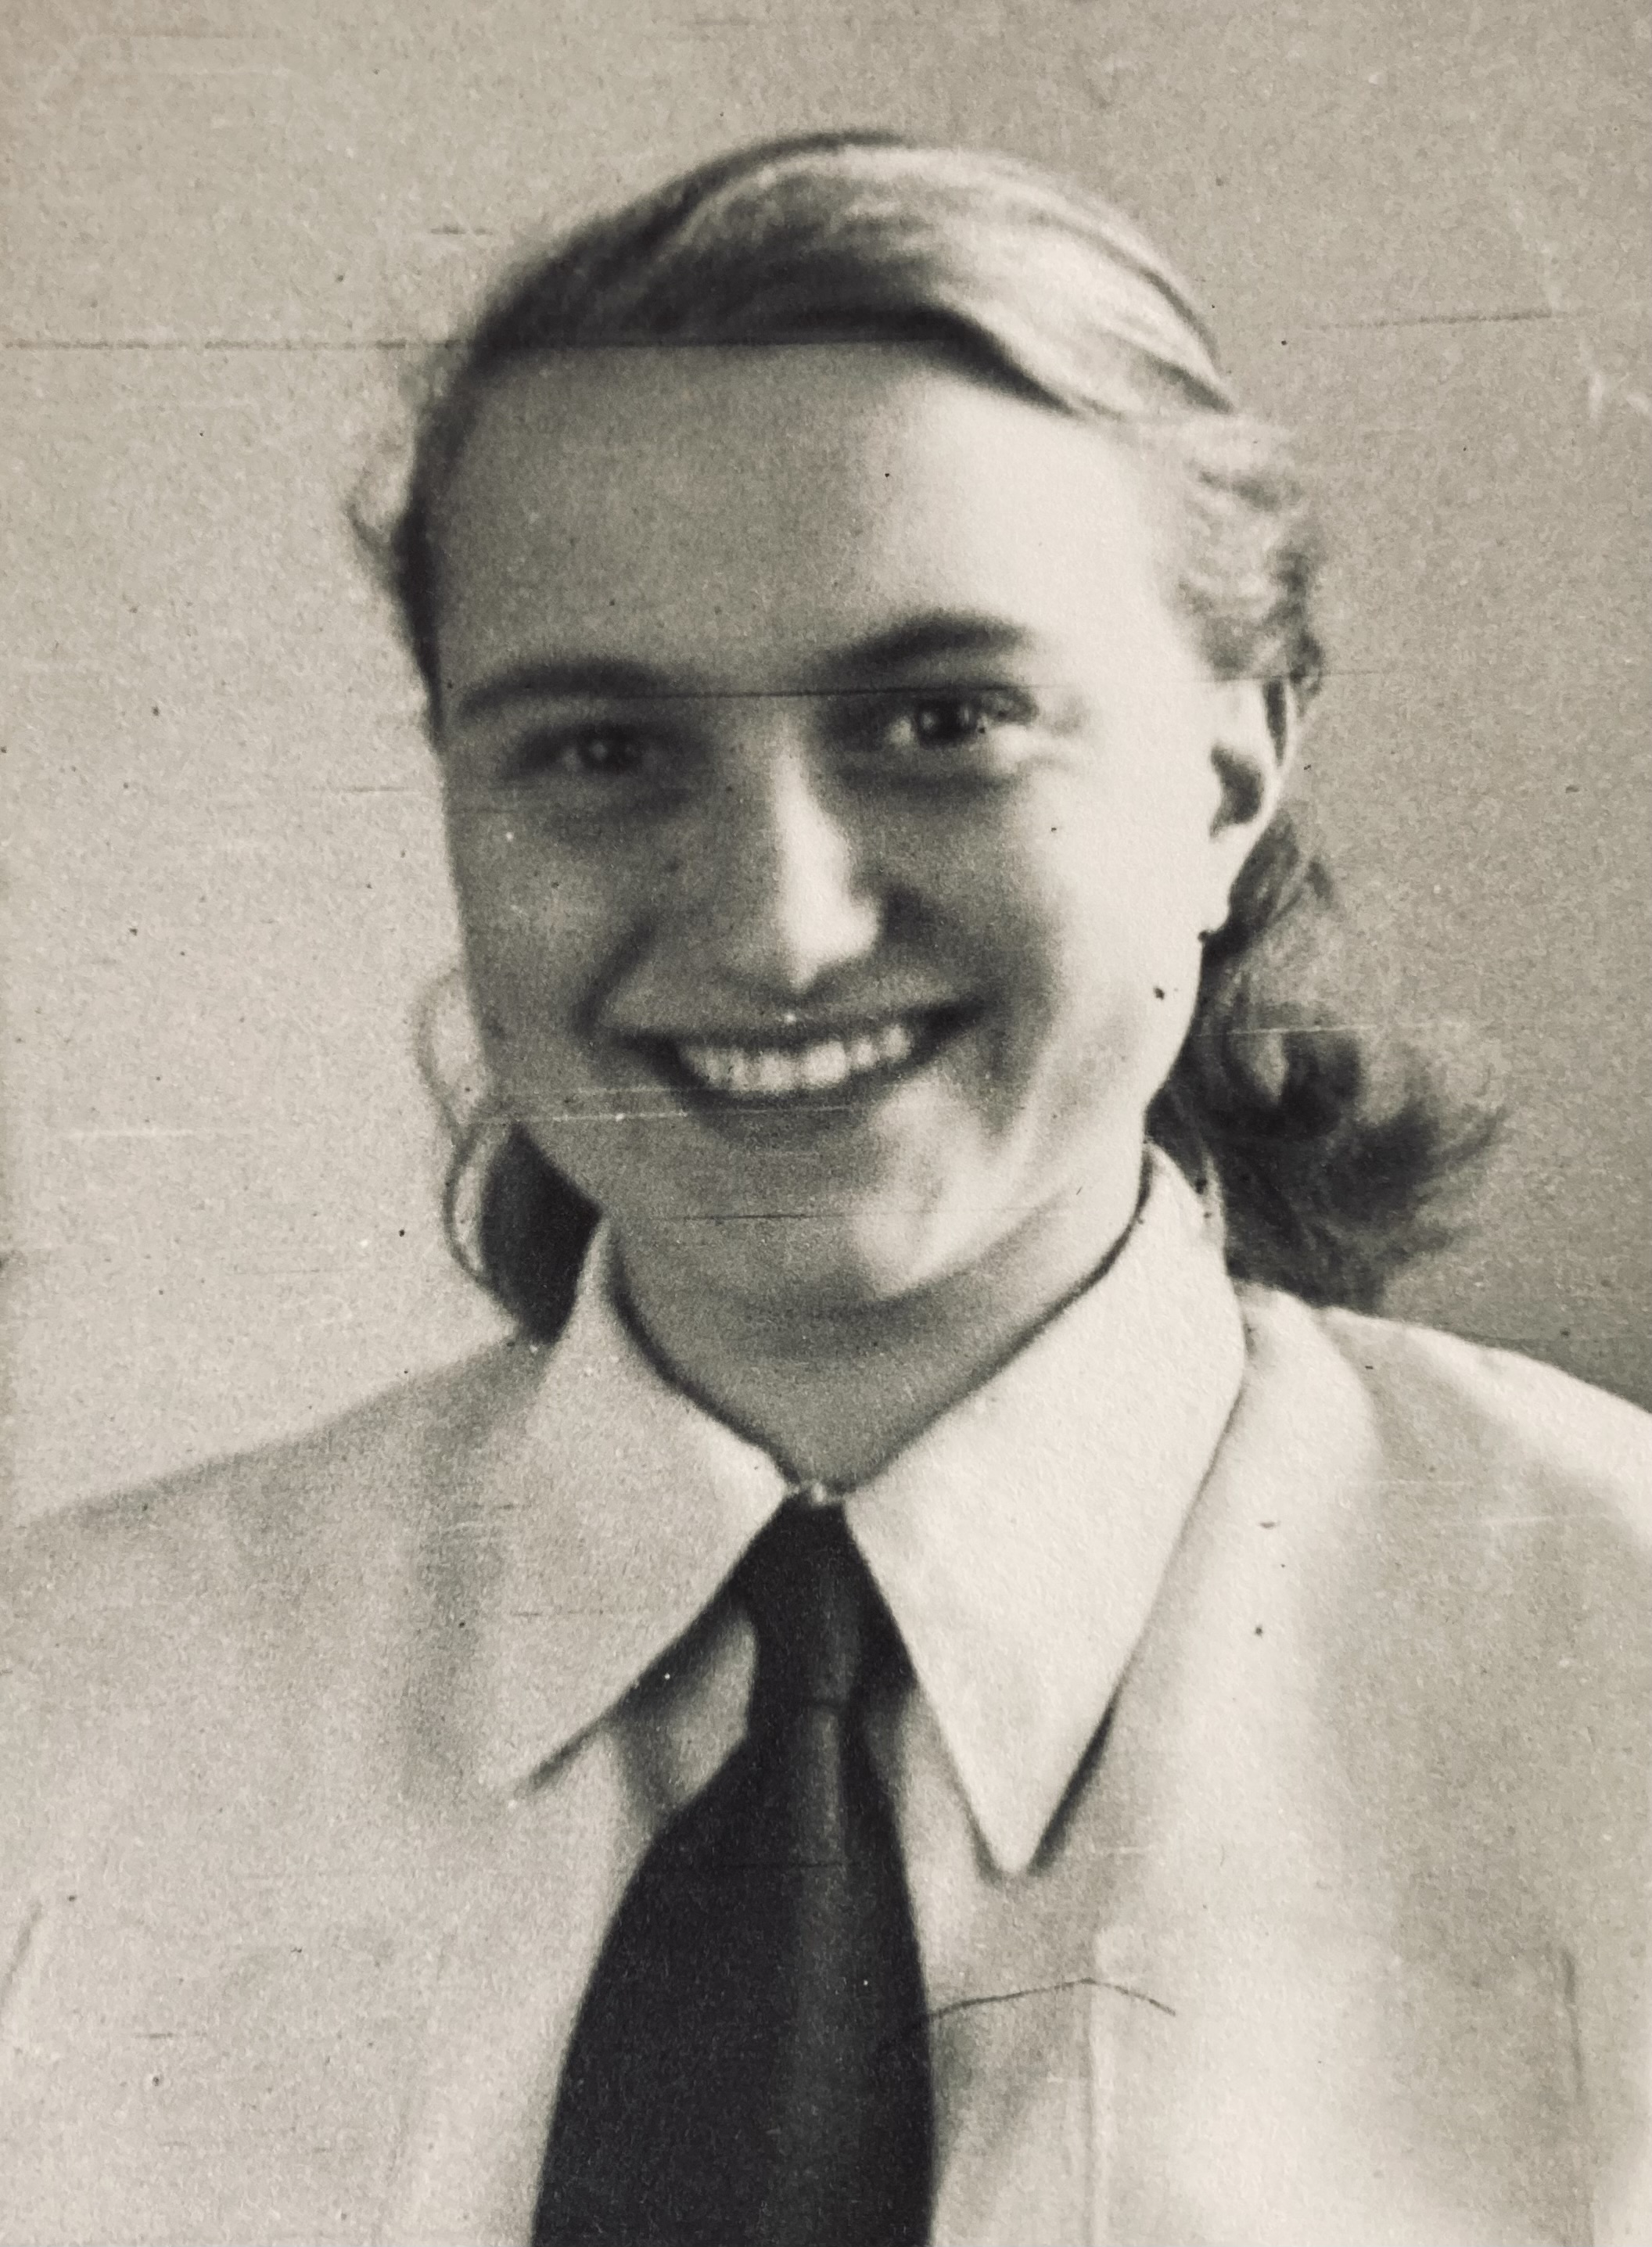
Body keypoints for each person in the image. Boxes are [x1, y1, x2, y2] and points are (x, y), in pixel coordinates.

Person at [2, 131, 1647, 2247]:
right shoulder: (64, 1712)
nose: (778, 928)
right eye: (601, 750)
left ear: (1233, 776)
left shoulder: (1613, 1668)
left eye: (943, 721)